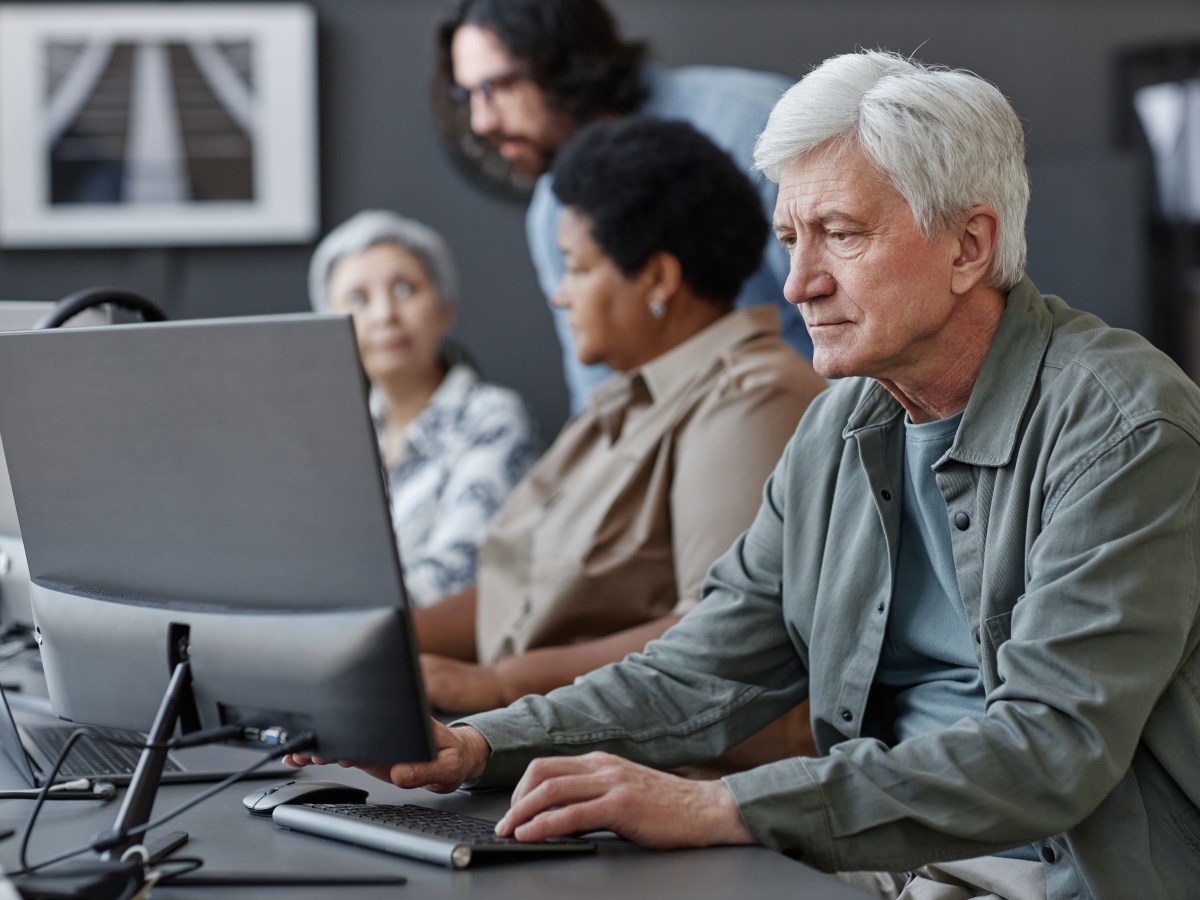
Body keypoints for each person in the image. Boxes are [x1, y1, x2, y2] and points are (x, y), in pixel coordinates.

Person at [293, 50, 1200, 899]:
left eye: (838, 235)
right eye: (789, 237)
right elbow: (701, 672)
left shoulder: (1124, 427)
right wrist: (477, 746)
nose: (798, 281)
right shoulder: (838, 426)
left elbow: (1049, 751)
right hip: (875, 865)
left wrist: (726, 806)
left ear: (969, 247)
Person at [412, 117, 826, 747]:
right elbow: (513, 593)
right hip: (534, 746)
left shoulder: (754, 396)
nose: (560, 295)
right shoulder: (623, 398)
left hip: (648, 776)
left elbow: (718, 635)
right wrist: (379, 649)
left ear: (658, 278)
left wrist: (499, 686)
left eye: (575, 268)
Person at [432, 0, 812, 415]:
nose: (480, 122)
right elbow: (600, 398)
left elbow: (847, 328)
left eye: (499, 86)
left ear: (565, 64)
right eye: (466, 94)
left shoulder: (750, 126)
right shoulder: (551, 212)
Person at [308, 210, 541, 608]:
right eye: (358, 299)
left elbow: (456, 577)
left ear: (444, 310)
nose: (384, 315)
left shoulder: (493, 417)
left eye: (404, 289)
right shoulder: (338, 431)